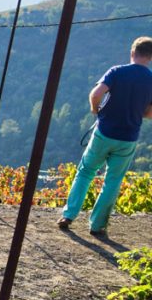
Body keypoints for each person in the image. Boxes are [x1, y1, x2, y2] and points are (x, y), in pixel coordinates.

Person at [59, 36, 152, 236]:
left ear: (132, 53)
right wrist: (138, 112)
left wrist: (96, 109)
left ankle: (69, 214)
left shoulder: (117, 72)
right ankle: (97, 225)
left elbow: (96, 94)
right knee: (113, 180)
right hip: (128, 138)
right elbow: (150, 113)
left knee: (85, 172)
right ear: (150, 57)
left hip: (104, 133)